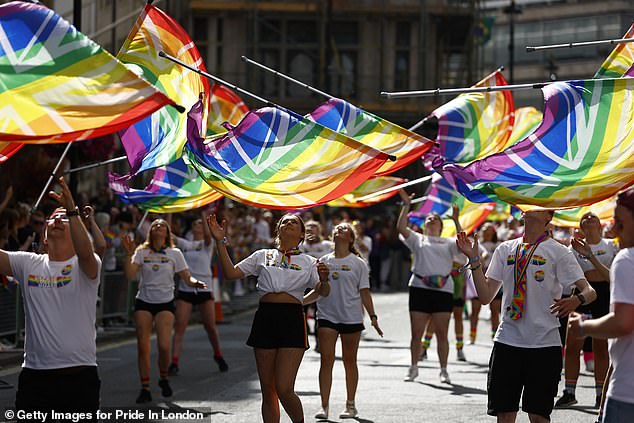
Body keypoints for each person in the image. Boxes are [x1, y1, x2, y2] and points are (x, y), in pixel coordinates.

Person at [456, 209, 597, 423]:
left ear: (548, 217)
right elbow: (485, 296)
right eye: (526, 205)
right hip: (507, 341)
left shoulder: (558, 252)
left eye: (537, 205)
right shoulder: (505, 249)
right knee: (505, 415)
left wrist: (576, 300)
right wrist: (474, 259)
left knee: (538, 417)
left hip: (544, 344)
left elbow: (589, 291)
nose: (529, 207)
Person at [207, 212, 330, 423]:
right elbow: (231, 273)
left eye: (295, 222)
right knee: (268, 390)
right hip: (265, 318)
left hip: (291, 319)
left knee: (284, 387)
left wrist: (325, 280)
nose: (289, 223)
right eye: (285, 221)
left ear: (302, 234)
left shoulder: (310, 262)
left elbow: (322, 291)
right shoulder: (262, 255)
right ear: (278, 230)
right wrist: (220, 241)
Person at [0, 177, 102, 417]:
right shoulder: (28, 264)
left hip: (79, 378)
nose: (57, 219)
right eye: (53, 218)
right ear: (44, 237)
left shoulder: (86, 265)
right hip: (35, 378)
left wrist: (72, 211)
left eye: (64, 217)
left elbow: (87, 251)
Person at [121, 218, 207, 404]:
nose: (158, 227)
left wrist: (195, 283)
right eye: (155, 226)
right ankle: (145, 387)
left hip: (165, 303)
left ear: (167, 233)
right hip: (144, 301)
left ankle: (163, 378)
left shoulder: (174, 253)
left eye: (162, 226)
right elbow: (130, 275)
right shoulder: (141, 251)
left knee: (164, 346)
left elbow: (186, 277)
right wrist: (128, 253)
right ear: (150, 232)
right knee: (143, 347)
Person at [569, 187, 634, 423]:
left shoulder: (626, 259)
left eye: (620, 222)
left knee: (603, 352)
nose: (614, 228)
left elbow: (623, 323)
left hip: (628, 395)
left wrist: (584, 327)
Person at [307, 222, 383, 420]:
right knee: (326, 361)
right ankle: (324, 406)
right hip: (327, 316)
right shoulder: (323, 260)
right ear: (332, 236)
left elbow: (364, 292)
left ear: (351, 238)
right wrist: (298, 302)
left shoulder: (358, 263)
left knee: (350, 361)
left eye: (344, 229)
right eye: (336, 229)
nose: (339, 231)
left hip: (351, 317)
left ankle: (351, 405)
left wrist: (373, 317)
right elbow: (318, 290)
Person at [397, 189, 463, 383]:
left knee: (442, 333)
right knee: (416, 333)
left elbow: (462, 242)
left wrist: (457, 220)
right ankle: (414, 366)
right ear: (424, 225)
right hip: (420, 288)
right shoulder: (418, 239)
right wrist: (406, 206)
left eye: (435, 219)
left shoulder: (449, 242)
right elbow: (401, 228)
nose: (431, 220)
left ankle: (443, 370)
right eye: (428, 219)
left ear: (441, 226)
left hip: (443, 290)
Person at [555, 212, 618, 409]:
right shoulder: (572, 248)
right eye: (585, 218)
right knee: (573, 345)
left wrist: (591, 257)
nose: (589, 218)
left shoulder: (610, 245)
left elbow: (612, 277)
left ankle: (600, 394)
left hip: (604, 295)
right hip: (582, 293)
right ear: (581, 227)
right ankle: (569, 392)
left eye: (593, 218)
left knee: (600, 346)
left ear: (600, 226)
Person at [169, 213, 228, 376]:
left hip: (204, 289)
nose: (198, 226)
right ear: (192, 228)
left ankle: (218, 355)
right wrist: (168, 211)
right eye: (195, 224)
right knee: (180, 326)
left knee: (210, 326)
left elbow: (209, 236)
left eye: (200, 224)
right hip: (186, 289)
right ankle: (174, 362)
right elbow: (168, 234)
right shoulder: (186, 244)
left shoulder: (207, 244)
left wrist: (203, 212)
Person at [470, 222, 501, 344]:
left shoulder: (499, 245)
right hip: (478, 280)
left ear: (494, 232)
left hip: (495, 281)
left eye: (489, 229)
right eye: (484, 228)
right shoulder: (476, 245)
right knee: (475, 310)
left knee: (495, 310)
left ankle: (494, 335)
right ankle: (472, 335)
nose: (487, 231)